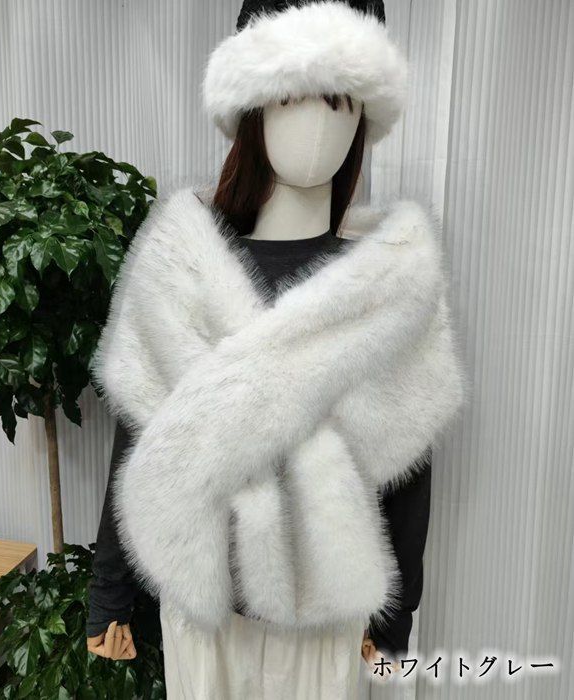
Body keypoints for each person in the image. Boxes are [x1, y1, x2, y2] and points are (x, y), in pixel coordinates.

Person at [87, 1, 465, 697]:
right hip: (202, 606)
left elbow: (410, 469)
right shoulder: (185, 262)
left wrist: (396, 614)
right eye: (292, 96)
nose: (318, 125)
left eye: (340, 101)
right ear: (254, 107)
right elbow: (141, 436)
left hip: (324, 613)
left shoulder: (393, 280)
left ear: (364, 117)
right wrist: (109, 590)